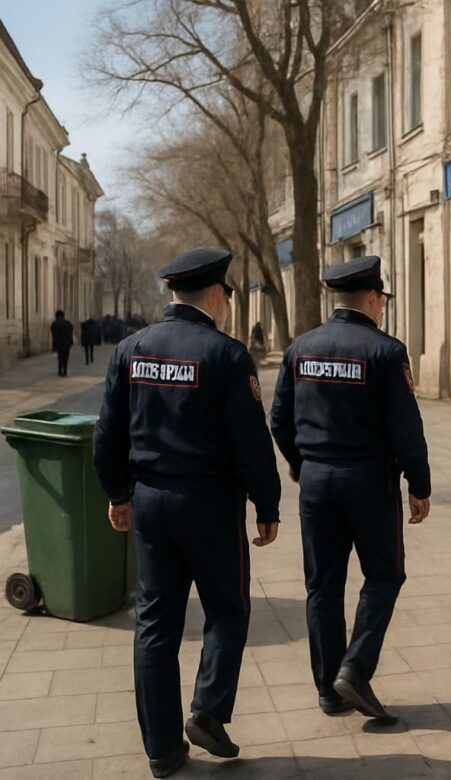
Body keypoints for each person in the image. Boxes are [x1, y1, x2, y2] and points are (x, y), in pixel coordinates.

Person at [92, 248, 282, 778]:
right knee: (227, 611)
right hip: (211, 508)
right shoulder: (226, 354)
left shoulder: (131, 349)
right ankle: (208, 712)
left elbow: (106, 433)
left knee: (155, 624)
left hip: (150, 503)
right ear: (218, 296)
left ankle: (162, 750)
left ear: (174, 293)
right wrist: (267, 504)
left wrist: (117, 494)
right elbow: (251, 442)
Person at [270, 256, 431, 720]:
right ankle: (355, 669)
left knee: (323, 585)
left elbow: (279, 419)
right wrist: (418, 484)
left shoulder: (301, 348)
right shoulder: (385, 351)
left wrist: (302, 465)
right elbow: (406, 428)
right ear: (373, 299)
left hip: (317, 482)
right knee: (384, 575)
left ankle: (328, 689)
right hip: (368, 482)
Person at [50, 310, 73, 376]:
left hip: (59, 343)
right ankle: (65, 370)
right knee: (66, 357)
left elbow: (54, 335)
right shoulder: (68, 323)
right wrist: (71, 342)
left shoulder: (54, 324)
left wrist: (54, 345)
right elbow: (70, 334)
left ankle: (60, 370)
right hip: (66, 343)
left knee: (60, 357)